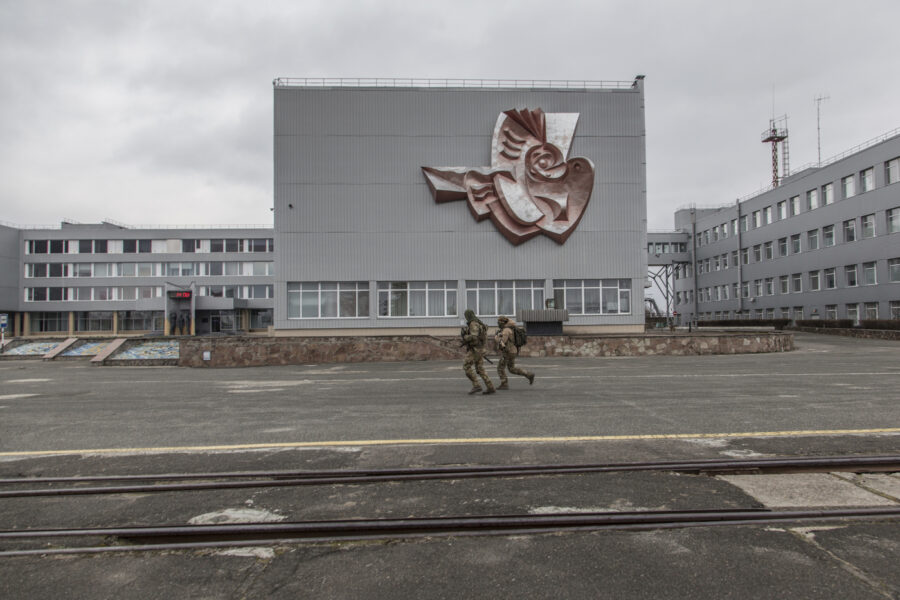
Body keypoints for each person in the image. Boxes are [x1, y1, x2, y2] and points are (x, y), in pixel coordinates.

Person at [461, 309, 495, 395]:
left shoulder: (473, 323)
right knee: (480, 369)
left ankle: (476, 385)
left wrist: (465, 337)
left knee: (466, 366)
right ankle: (490, 387)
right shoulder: (479, 323)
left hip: (475, 350)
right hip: (480, 349)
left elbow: (474, 337)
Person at [495, 315, 534, 389]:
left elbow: (503, 341)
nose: (498, 324)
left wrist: (496, 337)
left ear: (502, 323)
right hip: (513, 351)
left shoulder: (506, 330)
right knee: (512, 369)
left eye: (499, 322)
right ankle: (528, 374)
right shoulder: (511, 329)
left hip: (508, 352)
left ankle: (504, 384)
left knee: (500, 368)